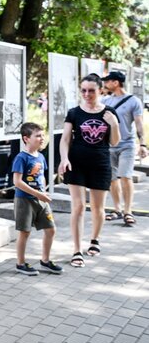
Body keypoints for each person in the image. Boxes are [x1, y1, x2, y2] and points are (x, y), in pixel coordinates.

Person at [58, 74, 120, 268]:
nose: (87, 94)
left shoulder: (109, 112)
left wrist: (114, 124)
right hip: (76, 163)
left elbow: (114, 142)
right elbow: (65, 139)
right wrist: (64, 158)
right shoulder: (74, 113)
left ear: (100, 90)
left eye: (91, 90)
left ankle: (94, 239)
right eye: (83, 90)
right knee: (77, 207)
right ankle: (76, 250)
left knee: (97, 207)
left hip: (100, 164)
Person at [11, 122, 62, 275]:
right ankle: (20, 263)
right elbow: (17, 182)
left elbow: (42, 176)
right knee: (24, 232)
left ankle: (45, 261)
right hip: (24, 200)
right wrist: (37, 194)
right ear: (26, 138)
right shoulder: (21, 157)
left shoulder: (40, 156)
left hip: (41, 199)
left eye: (42, 135)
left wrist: (43, 192)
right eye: (38, 136)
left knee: (51, 229)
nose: (42, 138)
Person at [101, 71, 147, 226]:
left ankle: (128, 211)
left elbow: (139, 123)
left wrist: (143, 144)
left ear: (115, 83)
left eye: (107, 81)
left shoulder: (134, 101)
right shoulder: (106, 100)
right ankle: (117, 209)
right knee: (112, 179)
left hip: (127, 144)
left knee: (125, 177)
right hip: (108, 145)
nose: (105, 84)